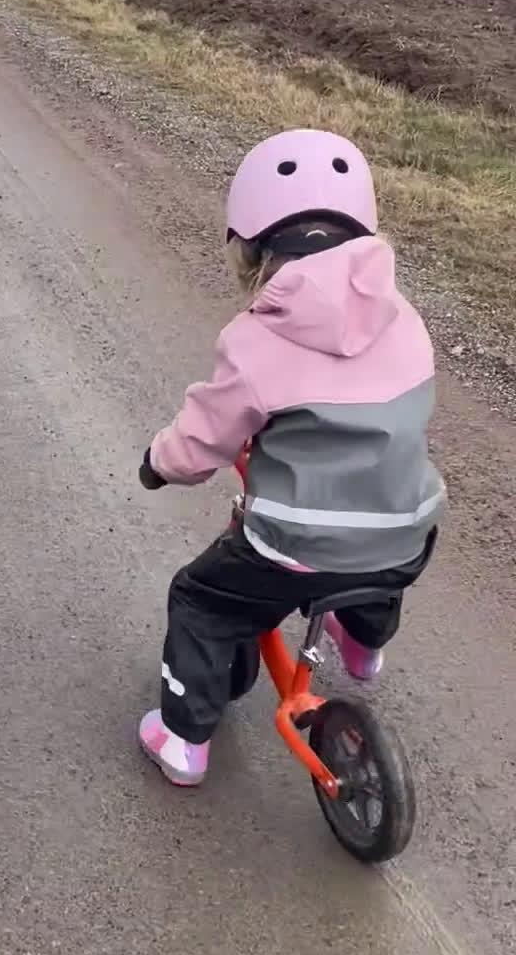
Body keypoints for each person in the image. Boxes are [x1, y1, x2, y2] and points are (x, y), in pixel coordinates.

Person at [138, 128, 444, 786]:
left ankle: (184, 740)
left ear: (253, 243)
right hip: (406, 528)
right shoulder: (408, 320)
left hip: (295, 545)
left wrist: (157, 463)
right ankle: (363, 647)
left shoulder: (257, 339)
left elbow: (203, 442)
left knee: (203, 599)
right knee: (381, 550)